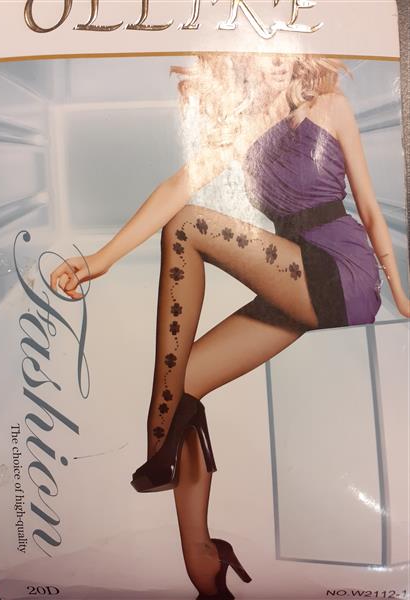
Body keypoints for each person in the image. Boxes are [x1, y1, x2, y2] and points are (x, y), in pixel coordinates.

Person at [50, 53, 410, 599]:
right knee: (183, 380)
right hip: (293, 275)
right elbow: (177, 185)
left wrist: (400, 293)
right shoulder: (243, 128)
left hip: (343, 273)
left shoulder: (331, 107)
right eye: (258, 61)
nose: (271, 68)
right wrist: (100, 260)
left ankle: (158, 436)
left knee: (188, 226)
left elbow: (371, 210)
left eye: (279, 57)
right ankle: (201, 561)